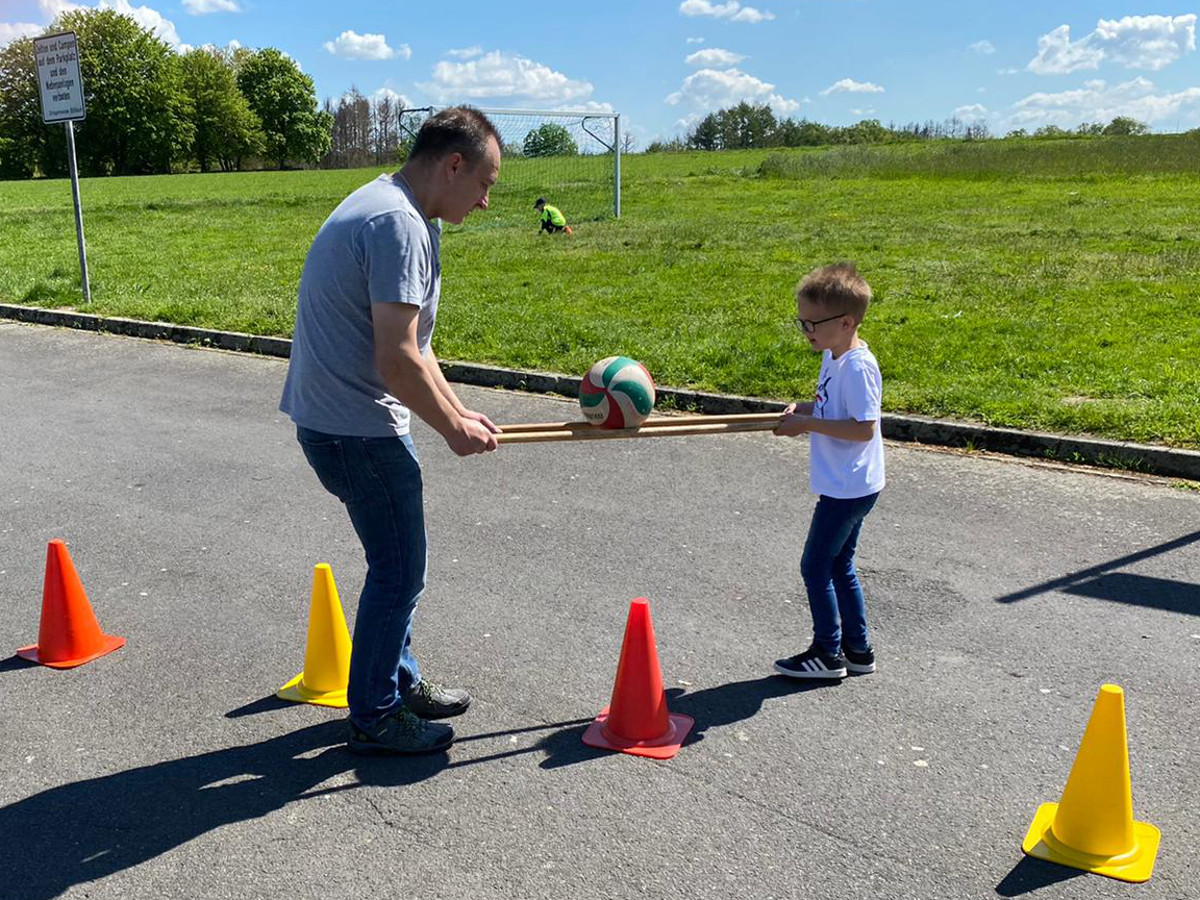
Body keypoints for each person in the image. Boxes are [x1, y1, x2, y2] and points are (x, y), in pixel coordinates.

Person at [279, 107, 503, 754]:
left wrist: (458, 412)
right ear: (453, 164)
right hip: (356, 431)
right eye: (485, 183)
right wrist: (449, 431)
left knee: (395, 566)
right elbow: (396, 358)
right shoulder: (397, 224)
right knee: (399, 572)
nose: (487, 201)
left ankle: (397, 683)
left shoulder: (394, 207)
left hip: (342, 423)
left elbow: (417, 349)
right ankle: (376, 715)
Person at [772, 262, 885, 680]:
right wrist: (804, 410)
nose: (806, 331)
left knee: (815, 566)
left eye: (811, 323)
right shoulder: (833, 355)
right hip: (851, 482)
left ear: (845, 322)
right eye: (801, 321)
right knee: (839, 565)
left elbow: (863, 427)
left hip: (848, 487)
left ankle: (827, 652)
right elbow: (833, 408)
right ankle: (858, 649)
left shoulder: (857, 366)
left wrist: (808, 425)